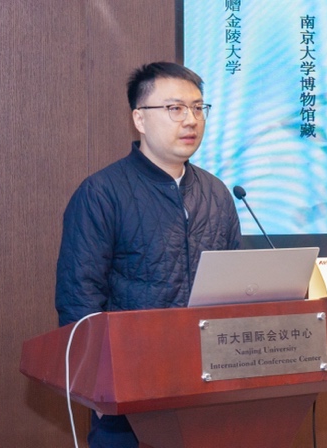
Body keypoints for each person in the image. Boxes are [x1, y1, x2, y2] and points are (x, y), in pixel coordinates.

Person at [54, 61, 242, 447]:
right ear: (139, 119)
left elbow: (238, 287)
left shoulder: (217, 194)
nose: (190, 120)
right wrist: (98, 385)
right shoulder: (102, 193)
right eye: (175, 108)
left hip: (206, 385)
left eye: (198, 108)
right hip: (128, 391)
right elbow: (79, 297)